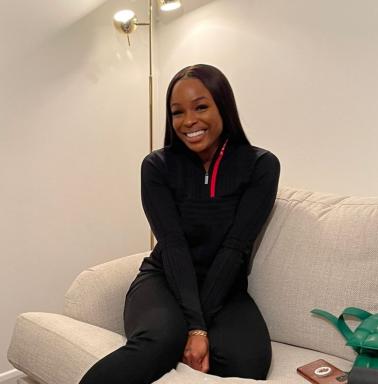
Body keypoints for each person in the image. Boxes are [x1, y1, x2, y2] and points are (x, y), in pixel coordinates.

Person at [79, 64, 280, 384]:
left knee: (249, 362)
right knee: (161, 341)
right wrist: (194, 326)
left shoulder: (260, 165)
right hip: (165, 280)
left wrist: (198, 325)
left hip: (225, 287)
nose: (188, 121)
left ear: (223, 106)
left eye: (201, 107)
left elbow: (235, 247)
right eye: (177, 112)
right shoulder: (157, 166)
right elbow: (173, 246)